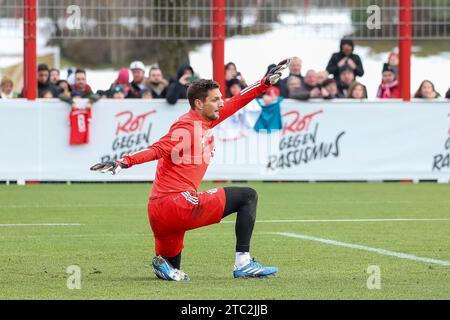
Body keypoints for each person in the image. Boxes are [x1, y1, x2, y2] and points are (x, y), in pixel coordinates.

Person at [90, 58, 292, 281]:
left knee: (172, 265)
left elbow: (236, 102)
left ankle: (164, 265)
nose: (221, 103)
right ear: (198, 103)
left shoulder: (204, 120)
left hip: (159, 212)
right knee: (248, 196)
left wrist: (264, 83)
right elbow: (159, 148)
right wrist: (123, 162)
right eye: (215, 100)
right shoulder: (188, 127)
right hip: (176, 204)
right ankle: (243, 263)